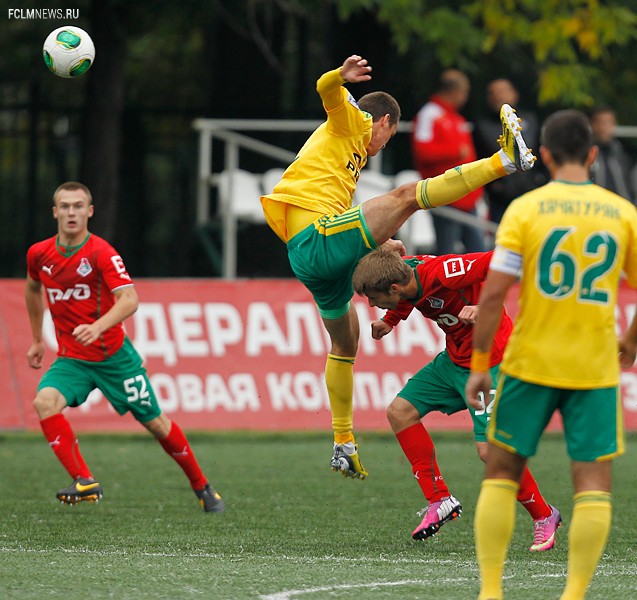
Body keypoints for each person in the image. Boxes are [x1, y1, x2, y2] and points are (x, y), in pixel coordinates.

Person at [260, 54, 536, 480]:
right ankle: (504, 161)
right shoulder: (353, 123)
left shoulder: (343, 158)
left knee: (344, 347)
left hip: (311, 258)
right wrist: (340, 77)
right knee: (408, 195)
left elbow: (341, 214)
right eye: (387, 139)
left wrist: (376, 240)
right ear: (384, 122)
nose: (383, 146)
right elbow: (325, 91)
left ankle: (343, 441)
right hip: (316, 237)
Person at [466, 109, 637, 599]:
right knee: (593, 484)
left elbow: (494, 295)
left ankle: (491, 592)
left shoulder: (526, 209)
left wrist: (480, 366)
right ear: (593, 154)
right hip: (595, 366)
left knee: (501, 473)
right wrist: (629, 343)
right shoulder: (623, 213)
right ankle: (575, 594)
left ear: (543, 155)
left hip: (530, 362)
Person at [25, 181, 225, 512]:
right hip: (73, 359)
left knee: (156, 423)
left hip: (114, 358)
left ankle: (202, 486)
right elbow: (33, 289)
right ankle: (85, 481)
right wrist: (36, 338)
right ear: (55, 212)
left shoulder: (101, 252)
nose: (71, 212)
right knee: (44, 402)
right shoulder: (39, 253)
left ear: (89, 212)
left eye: (78, 206)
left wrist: (98, 326)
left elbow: (129, 299)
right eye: (65, 206)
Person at [352, 248, 560, 549]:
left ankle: (544, 515)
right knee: (400, 411)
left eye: (373, 298)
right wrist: (391, 320)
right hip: (455, 361)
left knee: (490, 451)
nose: (371, 304)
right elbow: (410, 297)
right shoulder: (404, 274)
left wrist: (483, 305)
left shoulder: (446, 270)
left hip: (491, 364)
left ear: (393, 288)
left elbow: (507, 259)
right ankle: (440, 499)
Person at [412, 69, 486, 253]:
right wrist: (455, 152)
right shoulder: (429, 114)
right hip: (445, 194)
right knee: (447, 252)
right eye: (464, 92)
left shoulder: (456, 117)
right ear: (454, 91)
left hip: (468, 195)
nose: (465, 97)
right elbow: (423, 152)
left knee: (478, 251)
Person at [473, 78, 546, 224]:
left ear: (514, 94)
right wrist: (493, 187)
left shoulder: (530, 120)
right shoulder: (481, 126)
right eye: (493, 93)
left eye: (503, 91)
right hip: (501, 198)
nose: (498, 96)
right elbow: (477, 158)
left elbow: (542, 150)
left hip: (531, 192)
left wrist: (540, 178)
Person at [589, 105, 635, 202]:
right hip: (595, 209)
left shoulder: (624, 154)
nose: (603, 128)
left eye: (607, 123)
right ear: (593, 125)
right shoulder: (585, 155)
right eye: (600, 123)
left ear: (614, 125)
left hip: (623, 209)